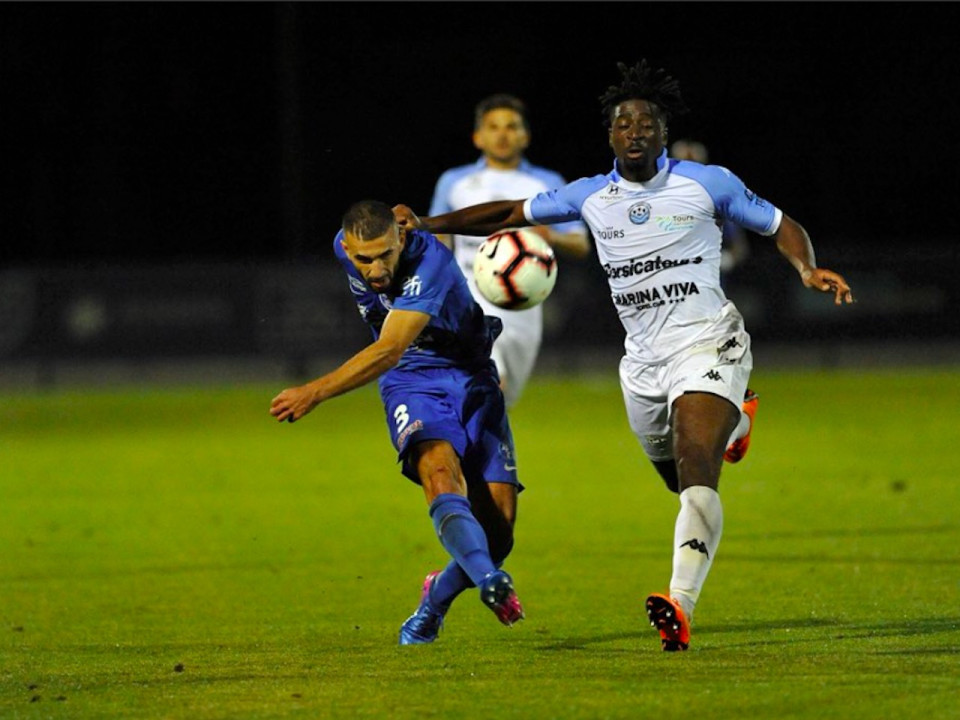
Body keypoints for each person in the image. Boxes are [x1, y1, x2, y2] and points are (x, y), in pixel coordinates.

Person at [394, 60, 854, 652]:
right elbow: (510, 213)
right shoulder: (590, 196)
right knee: (676, 476)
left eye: (647, 123)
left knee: (695, 465)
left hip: (708, 339)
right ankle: (737, 419)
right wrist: (429, 224)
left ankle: (678, 604)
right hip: (641, 365)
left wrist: (806, 266)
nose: (635, 131)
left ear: (663, 133)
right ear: (609, 135)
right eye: (623, 123)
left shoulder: (707, 182)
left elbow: (779, 223)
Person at [269, 199, 525, 645]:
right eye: (362, 258)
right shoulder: (347, 244)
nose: (374, 268)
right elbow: (396, 358)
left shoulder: (432, 262)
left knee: (499, 533)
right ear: (346, 248)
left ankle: (436, 599)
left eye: (385, 254)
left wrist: (314, 391)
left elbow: (388, 347)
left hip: (471, 376)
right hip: (412, 380)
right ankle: (488, 581)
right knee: (440, 472)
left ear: (402, 238)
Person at [429, 94, 590, 407]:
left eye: (511, 126)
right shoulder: (455, 182)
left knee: (500, 402)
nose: (502, 134)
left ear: (525, 135)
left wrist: (552, 238)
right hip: (469, 300)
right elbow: (439, 240)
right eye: (493, 127)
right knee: (488, 385)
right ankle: (473, 454)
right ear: (478, 136)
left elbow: (581, 243)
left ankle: (496, 455)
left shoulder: (547, 182)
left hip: (524, 307)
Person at [670, 139, 751, 286]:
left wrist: (727, 259)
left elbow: (739, 247)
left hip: (710, 289)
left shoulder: (717, 203)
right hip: (670, 288)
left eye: (694, 166)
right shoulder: (661, 202)